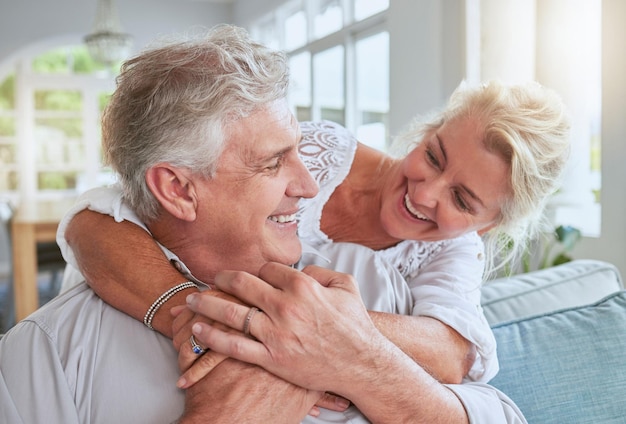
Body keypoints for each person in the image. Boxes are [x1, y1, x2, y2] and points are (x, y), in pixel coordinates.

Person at [0, 24, 530, 423]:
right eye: (276, 160)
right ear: (179, 189)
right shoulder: (50, 352)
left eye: (463, 199)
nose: (309, 185)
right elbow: (91, 219)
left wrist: (347, 354)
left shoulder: (357, 283)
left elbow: (490, 400)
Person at [61, 78, 570, 387]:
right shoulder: (318, 149)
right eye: (433, 155)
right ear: (426, 130)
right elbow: (96, 219)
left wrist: (313, 326)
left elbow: (452, 352)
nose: (426, 192)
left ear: (490, 225)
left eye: (463, 200)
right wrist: (192, 314)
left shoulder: (452, 254)